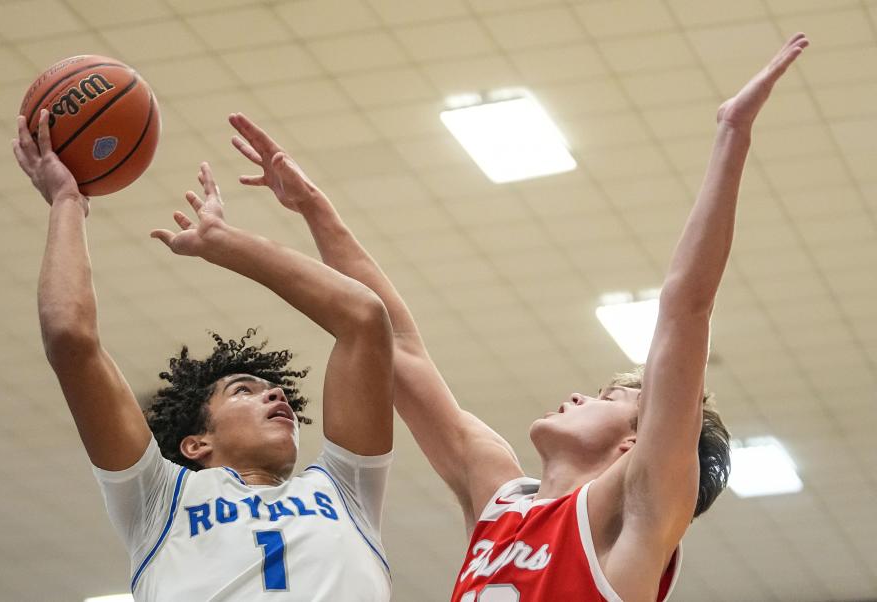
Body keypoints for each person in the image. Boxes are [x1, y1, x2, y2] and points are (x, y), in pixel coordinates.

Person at [228, 32, 809, 601]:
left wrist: (732, 134)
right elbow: (398, 345)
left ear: (636, 441)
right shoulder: (497, 495)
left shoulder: (637, 512)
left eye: (610, 397)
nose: (582, 396)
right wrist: (314, 208)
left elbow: (685, 310)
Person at [12, 109, 395, 601]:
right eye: (244, 390)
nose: (276, 393)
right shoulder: (158, 500)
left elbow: (364, 319)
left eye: (269, 389)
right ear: (195, 444)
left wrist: (225, 243)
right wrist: (66, 201)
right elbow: (69, 338)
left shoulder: (347, 490)